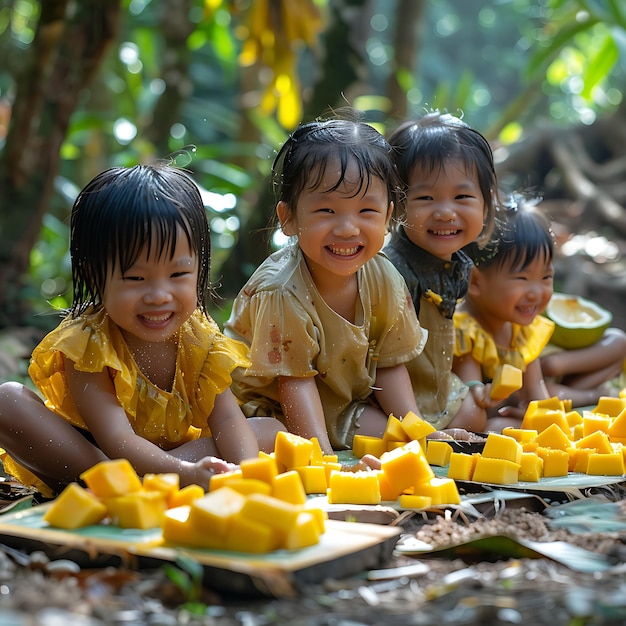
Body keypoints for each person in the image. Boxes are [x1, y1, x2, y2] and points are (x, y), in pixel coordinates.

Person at [0, 164, 263, 498]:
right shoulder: (88, 343)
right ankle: (124, 486)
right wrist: (183, 473)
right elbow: (117, 440)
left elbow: (227, 421)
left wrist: (248, 473)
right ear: (95, 275)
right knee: (6, 400)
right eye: (136, 278)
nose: (158, 295)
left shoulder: (201, 339)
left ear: (199, 267)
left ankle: (146, 485)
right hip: (93, 458)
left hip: (170, 456)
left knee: (268, 431)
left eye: (178, 274)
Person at [224, 113, 429, 455]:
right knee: (270, 437)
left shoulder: (384, 276)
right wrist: (321, 459)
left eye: (366, 211)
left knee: (398, 438)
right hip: (267, 408)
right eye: (326, 211)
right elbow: (294, 384)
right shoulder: (282, 290)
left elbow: (390, 364)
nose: (348, 229)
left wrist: (417, 432)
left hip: (340, 407)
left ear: (389, 217)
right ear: (288, 219)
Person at [454, 194, 626, 431]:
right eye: (522, 278)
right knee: (494, 427)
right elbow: (473, 408)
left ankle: (597, 394)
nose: (537, 292)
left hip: (528, 400)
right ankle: (597, 394)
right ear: (474, 281)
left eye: (546, 277)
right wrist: (494, 397)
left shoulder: (520, 328)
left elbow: (537, 395)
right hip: (481, 417)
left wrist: (536, 413)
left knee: (618, 341)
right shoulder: (466, 330)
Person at [383, 111, 498, 433]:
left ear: (485, 203)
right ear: (397, 205)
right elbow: (385, 364)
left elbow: (449, 338)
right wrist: (418, 429)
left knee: (475, 414)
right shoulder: (392, 271)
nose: (446, 212)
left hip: (429, 384)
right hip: (383, 390)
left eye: (462, 197)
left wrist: (473, 382)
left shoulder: (459, 265)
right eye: (425, 198)